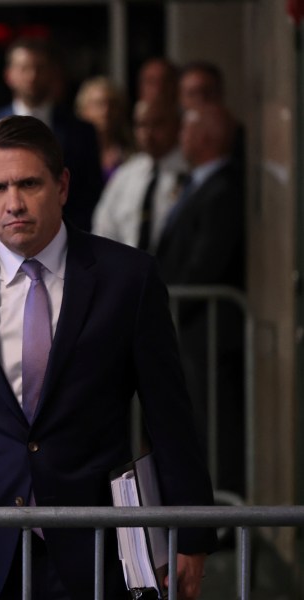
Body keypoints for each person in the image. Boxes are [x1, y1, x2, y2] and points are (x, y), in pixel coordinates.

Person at [0, 115, 217, 599]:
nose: (14, 203)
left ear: (62, 185)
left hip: (95, 539)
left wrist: (190, 534)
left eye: (29, 183)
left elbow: (169, 415)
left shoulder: (127, 279)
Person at [157, 103, 245, 498]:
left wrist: (165, 307)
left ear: (207, 137)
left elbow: (204, 263)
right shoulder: (198, 183)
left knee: (216, 426)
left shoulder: (223, 188)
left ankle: (221, 510)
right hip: (189, 329)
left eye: (188, 130)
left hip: (206, 330)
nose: (181, 137)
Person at [0, 37, 102, 241]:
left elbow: (91, 195)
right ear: (8, 75)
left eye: (39, 68)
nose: (32, 76)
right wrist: (6, 227)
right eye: (24, 68)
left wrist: (57, 232)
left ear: (53, 73)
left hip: (66, 247)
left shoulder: (80, 131)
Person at [92, 99, 187, 254]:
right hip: (126, 271)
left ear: (176, 125)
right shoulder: (125, 175)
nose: (148, 133)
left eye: (158, 124)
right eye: (141, 125)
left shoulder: (190, 172)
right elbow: (103, 230)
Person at [74, 76, 132, 182]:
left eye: (112, 104)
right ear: (83, 110)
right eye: (99, 104)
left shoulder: (131, 150)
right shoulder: (72, 152)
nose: (106, 111)